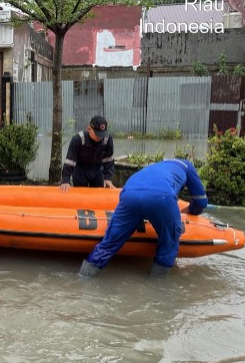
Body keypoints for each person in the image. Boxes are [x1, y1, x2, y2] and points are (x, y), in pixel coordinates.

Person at [79, 158, 208, 277]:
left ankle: (84, 277)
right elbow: (201, 202)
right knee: (170, 241)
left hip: (129, 193)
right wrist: (190, 210)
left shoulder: (155, 166)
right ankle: (158, 287)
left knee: (109, 242)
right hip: (162, 197)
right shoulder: (187, 166)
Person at [60, 116, 115, 192]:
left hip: (97, 170)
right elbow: (70, 161)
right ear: (89, 129)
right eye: (97, 134)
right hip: (80, 171)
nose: (99, 137)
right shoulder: (78, 139)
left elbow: (108, 160)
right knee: (81, 196)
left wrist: (108, 178)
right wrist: (66, 180)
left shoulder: (107, 139)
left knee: (98, 195)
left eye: (102, 134)